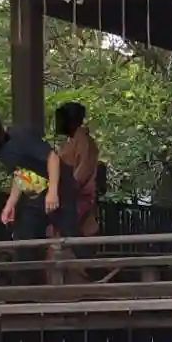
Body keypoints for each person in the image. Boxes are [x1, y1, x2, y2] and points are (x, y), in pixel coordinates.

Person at [0, 107, 54, 241]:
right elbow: (21, 174)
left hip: (58, 192)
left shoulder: (20, 136)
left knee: (70, 239)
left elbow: (53, 157)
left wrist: (53, 191)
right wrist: (10, 204)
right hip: (35, 194)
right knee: (25, 238)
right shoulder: (2, 151)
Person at [46, 101, 101, 240]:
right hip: (68, 197)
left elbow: (83, 170)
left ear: (71, 120)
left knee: (74, 239)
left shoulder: (83, 141)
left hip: (76, 198)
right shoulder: (71, 141)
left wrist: (68, 188)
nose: (57, 124)